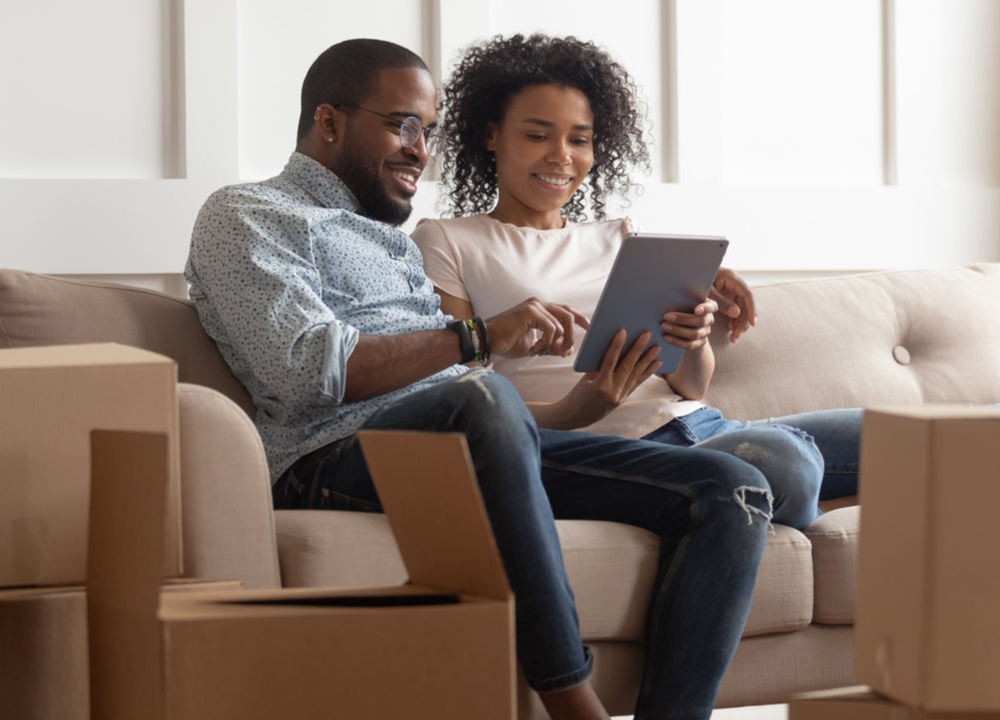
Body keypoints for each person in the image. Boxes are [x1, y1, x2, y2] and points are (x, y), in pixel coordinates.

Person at [185, 38, 817, 720]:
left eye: (426, 132)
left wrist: (574, 407)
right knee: (480, 390)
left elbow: (491, 424)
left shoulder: (389, 240)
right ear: (329, 121)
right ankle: (574, 703)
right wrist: (479, 336)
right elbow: (307, 366)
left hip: (465, 438)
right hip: (336, 455)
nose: (419, 150)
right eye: (402, 125)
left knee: (734, 489)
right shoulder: (249, 215)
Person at [411, 33, 863, 531]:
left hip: (701, 426)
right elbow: (455, 399)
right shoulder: (448, 241)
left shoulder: (621, 237)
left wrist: (691, 339)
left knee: (907, 434)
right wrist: (572, 408)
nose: (562, 155)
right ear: (491, 134)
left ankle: (789, 504)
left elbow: (690, 384)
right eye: (538, 136)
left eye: (579, 139)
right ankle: (815, 508)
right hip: (620, 452)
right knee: (786, 460)